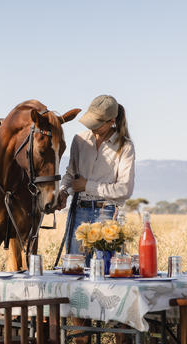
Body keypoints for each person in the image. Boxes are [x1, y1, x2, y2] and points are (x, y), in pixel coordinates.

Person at [58, 94, 135, 263]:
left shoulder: (125, 146)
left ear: (111, 121)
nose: (93, 128)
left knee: (107, 270)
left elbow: (124, 189)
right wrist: (63, 192)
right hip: (78, 210)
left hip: (107, 213)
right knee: (74, 266)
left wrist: (87, 186)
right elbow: (71, 175)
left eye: (98, 124)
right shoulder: (79, 140)